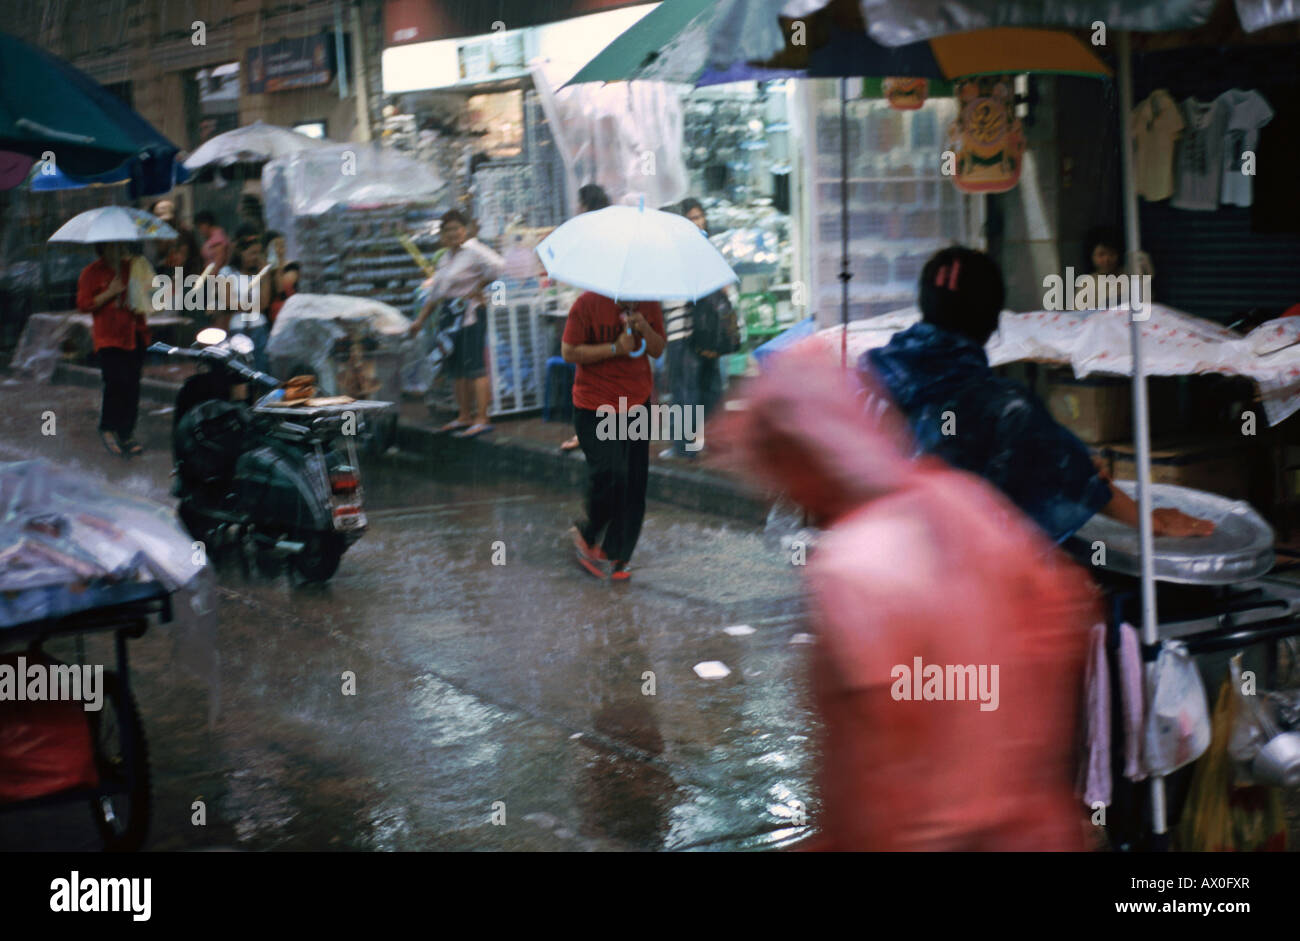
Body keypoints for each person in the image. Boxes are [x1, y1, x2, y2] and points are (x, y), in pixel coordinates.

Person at [715, 348, 1097, 850]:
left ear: (800, 461)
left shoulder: (852, 567)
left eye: (774, 473)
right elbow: (1068, 616)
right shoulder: (964, 501)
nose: (777, 495)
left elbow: (865, 773)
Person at [864, 246, 1212, 544]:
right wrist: (1153, 522)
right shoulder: (1005, 406)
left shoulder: (871, 374)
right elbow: (1071, 474)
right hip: (952, 591)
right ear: (992, 321)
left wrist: (1060, 456)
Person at [562, 290, 666, 581]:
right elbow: (569, 352)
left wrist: (645, 327)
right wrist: (614, 349)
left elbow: (658, 350)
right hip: (593, 405)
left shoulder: (649, 303)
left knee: (634, 484)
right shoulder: (587, 303)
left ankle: (618, 555)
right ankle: (589, 531)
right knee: (611, 473)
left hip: (636, 402)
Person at [406, 210, 504, 438]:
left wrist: (480, 288)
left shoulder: (475, 250)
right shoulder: (444, 258)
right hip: (449, 317)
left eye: (457, 228)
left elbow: (499, 268)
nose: (453, 234)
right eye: (447, 230)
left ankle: (482, 418)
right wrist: (419, 321)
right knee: (457, 368)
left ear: (465, 230)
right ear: (442, 235)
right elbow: (435, 295)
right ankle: (464, 416)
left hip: (470, 315)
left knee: (475, 366)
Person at [660, 197, 730, 459]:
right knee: (708, 388)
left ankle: (684, 448)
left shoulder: (666, 255)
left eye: (699, 216)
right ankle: (716, 441)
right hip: (707, 332)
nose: (697, 221)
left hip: (682, 333)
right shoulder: (700, 249)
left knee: (684, 391)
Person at [77, 241, 150, 457]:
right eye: (112, 247)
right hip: (109, 337)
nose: (118, 251)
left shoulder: (132, 268)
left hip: (135, 334)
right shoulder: (91, 273)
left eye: (121, 247)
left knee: (132, 385)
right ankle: (107, 427)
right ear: (103, 248)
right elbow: (83, 304)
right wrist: (110, 293)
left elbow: (151, 295)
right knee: (115, 383)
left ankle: (127, 433)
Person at [559, 183, 613, 454]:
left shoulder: (589, 233)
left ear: (584, 205)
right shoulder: (613, 231)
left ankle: (588, 434)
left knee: (591, 378)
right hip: (614, 314)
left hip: (595, 313)